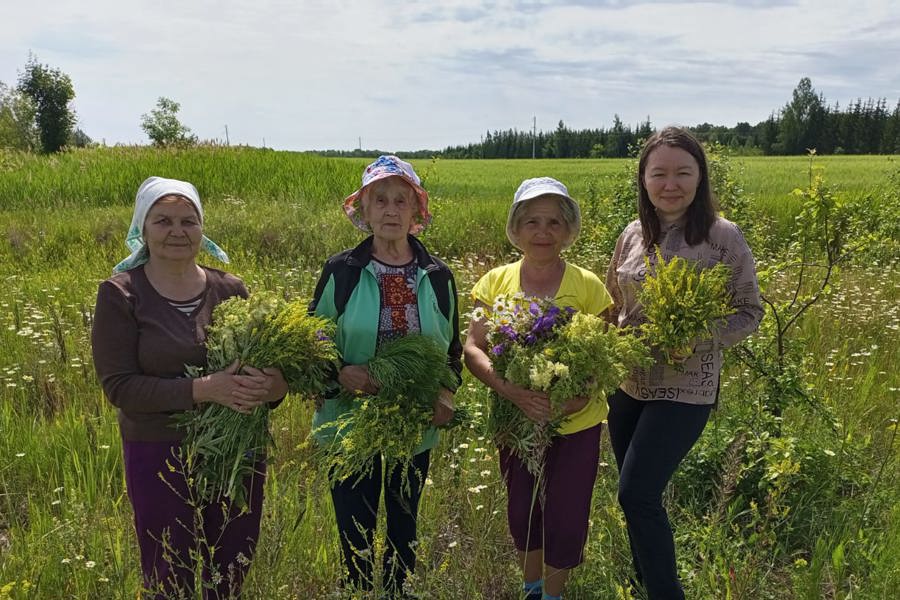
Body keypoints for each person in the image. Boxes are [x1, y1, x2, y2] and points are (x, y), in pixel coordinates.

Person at [91, 176, 287, 599]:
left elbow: (265, 367)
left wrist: (273, 387)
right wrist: (204, 389)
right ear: (142, 229)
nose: (177, 231)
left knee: (232, 564)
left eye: (188, 221)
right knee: (169, 570)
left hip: (236, 450)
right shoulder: (121, 294)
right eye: (163, 220)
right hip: (159, 450)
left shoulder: (230, 289)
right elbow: (120, 387)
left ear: (203, 228)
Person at [604, 127, 763, 599]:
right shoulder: (632, 234)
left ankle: (665, 592)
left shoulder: (721, 237)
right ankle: (642, 579)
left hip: (687, 388)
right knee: (632, 496)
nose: (670, 184)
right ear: (644, 180)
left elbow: (750, 311)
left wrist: (696, 336)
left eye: (682, 173)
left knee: (638, 493)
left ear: (700, 178)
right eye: (659, 174)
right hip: (628, 383)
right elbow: (615, 305)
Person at [309, 155, 462, 598]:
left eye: (402, 200)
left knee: (403, 523)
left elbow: (452, 350)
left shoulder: (437, 276)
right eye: (381, 201)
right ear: (364, 210)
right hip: (348, 421)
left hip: (413, 423)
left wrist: (447, 392)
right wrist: (339, 374)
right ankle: (358, 590)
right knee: (354, 527)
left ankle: (398, 592)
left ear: (417, 212)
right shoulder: (342, 271)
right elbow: (311, 342)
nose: (391, 210)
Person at [463, 177, 612, 600]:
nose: (542, 232)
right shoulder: (492, 283)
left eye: (553, 222)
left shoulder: (588, 286)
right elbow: (473, 348)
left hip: (576, 423)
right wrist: (511, 391)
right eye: (531, 221)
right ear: (516, 228)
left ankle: (553, 594)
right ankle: (532, 589)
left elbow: (602, 359)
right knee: (522, 511)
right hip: (516, 419)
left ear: (568, 229)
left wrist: (573, 400)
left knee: (565, 516)